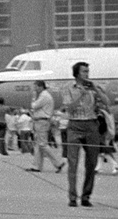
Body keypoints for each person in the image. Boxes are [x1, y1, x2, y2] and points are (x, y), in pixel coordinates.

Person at [61, 61, 111, 208]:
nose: (87, 74)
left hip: (91, 124)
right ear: (77, 73)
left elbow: (107, 102)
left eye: (88, 71)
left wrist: (96, 89)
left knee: (91, 162)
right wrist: (81, 95)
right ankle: (72, 197)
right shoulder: (68, 88)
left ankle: (86, 196)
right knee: (73, 162)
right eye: (84, 71)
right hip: (75, 125)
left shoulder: (93, 87)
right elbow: (68, 108)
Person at [27, 80, 65, 173]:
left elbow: (34, 106)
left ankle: (58, 162)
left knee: (42, 144)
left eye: (35, 87)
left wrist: (33, 98)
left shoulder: (44, 96)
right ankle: (37, 166)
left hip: (42, 121)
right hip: (41, 121)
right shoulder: (45, 95)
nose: (34, 89)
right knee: (39, 145)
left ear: (40, 86)